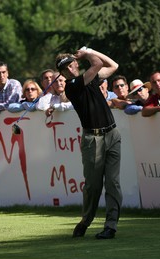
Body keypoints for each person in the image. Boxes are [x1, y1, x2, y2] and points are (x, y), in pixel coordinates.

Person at [55, 47, 122, 239]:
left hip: (112, 134)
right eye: (64, 69)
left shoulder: (91, 78)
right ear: (62, 74)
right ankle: (86, 220)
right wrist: (87, 53)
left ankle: (111, 226)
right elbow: (98, 63)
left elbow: (113, 65)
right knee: (93, 186)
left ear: (76, 63)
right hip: (93, 139)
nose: (69, 69)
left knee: (113, 183)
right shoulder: (72, 85)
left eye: (70, 64)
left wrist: (91, 50)